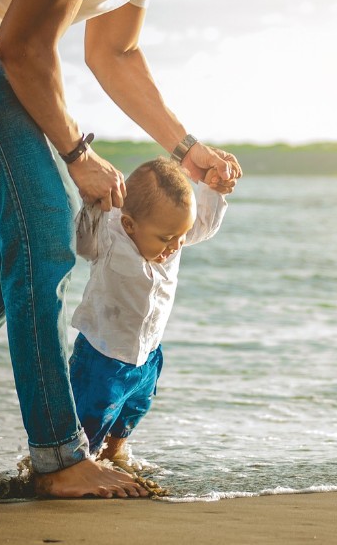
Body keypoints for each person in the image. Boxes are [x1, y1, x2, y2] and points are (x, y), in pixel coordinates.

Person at [0, 0, 241, 499]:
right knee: (44, 226)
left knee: (41, 231)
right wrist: (78, 155)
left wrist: (185, 147)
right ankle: (58, 457)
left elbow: (117, 51)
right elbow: (22, 47)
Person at [69, 157, 235, 466]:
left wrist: (213, 190)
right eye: (166, 238)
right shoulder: (109, 235)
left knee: (135, 408)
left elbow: (203, 225)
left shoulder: (172, 233)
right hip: (102, 356)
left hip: (148, 354)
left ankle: (115, 452)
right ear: (129, 224)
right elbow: (81, 242)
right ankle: (79, 466)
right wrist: (92, 203)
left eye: (181, 236)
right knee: (89, 418)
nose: (175, 246)